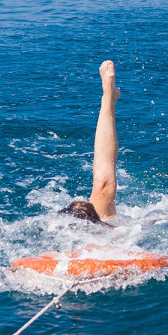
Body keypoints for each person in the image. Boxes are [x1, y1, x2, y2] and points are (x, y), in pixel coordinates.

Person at [61, 60, 119, 225]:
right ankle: (109, 98)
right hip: (114, 234)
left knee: (102, 183)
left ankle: (109, 97)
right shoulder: (117, 238)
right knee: (103, 184)